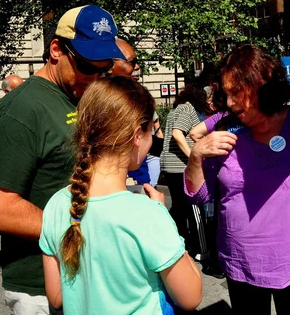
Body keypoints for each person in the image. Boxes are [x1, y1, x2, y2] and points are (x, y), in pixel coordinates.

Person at [184, 45, 290, 315]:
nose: (229, 103)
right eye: (226, 94)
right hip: (241, 263)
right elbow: (200, 195)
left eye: (237, 92)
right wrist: (195, 158)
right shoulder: (224, 129)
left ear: (262, 85)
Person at [0, 5, 125, 314]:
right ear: (56, 49)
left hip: (84, 273)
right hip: (41, 287)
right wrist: (81, 233)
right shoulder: (20, 110)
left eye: (104, 68)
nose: (95, 77)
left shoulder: (77, 97)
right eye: (86, 65)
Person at [40, 76, 202, 314]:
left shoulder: (56, 204)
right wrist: (163, 218)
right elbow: (191, 297)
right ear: (137, 135)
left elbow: (56, 297)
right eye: (151, 130)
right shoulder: (147, 214)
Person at [161, 84, 210, 257]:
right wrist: (193, 156)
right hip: (181, 166)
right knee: (195, 208)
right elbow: (177, 133)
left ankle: (180, 245)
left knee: (179, 209)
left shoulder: (175, 110)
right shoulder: (187, 109)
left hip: (169, 166)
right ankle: (201, 250)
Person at [110, 38, 164, 186]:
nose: (137, 67)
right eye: (131, 62)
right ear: (110, 65)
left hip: (137, 177)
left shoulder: (133, 95)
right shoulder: (102, 100)